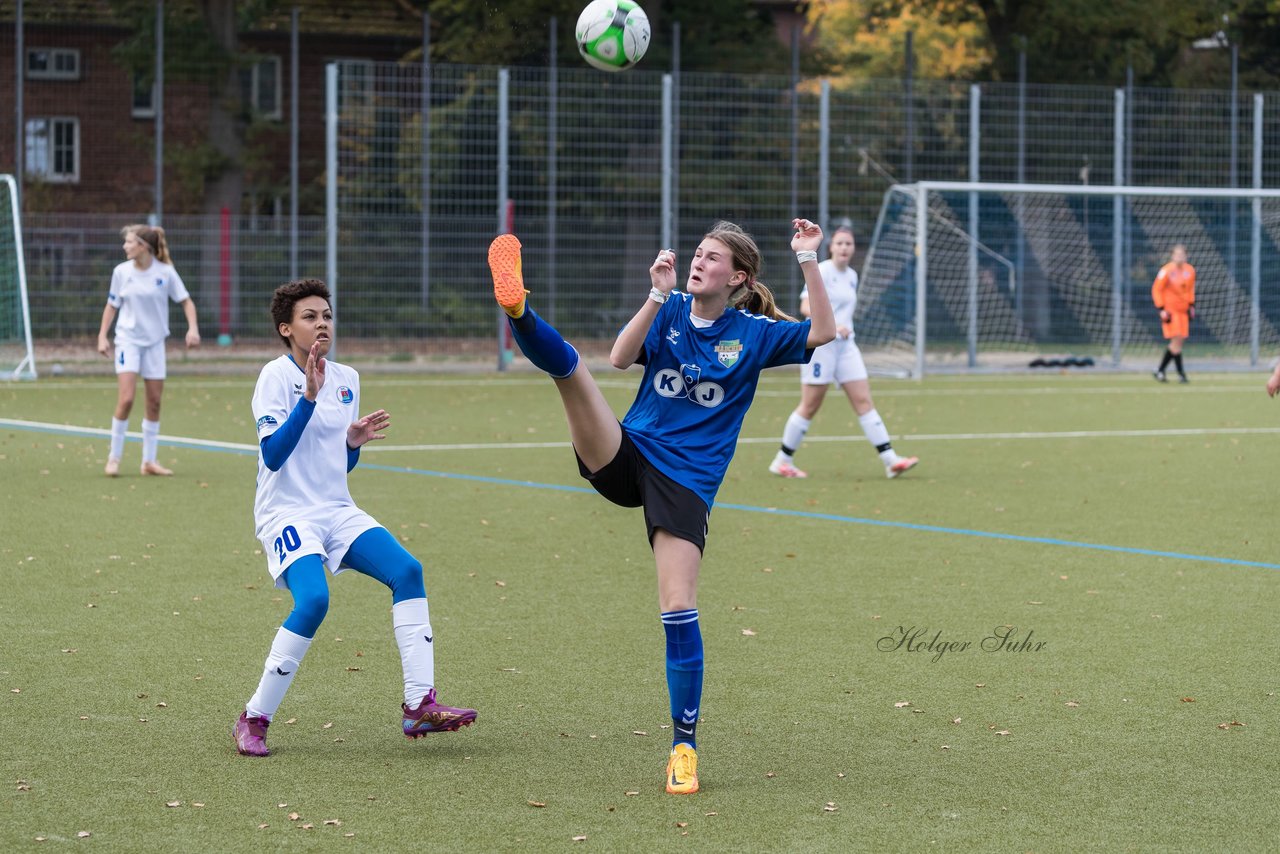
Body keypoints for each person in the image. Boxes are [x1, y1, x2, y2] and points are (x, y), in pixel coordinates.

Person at [487, 218, 835, 794]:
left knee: (678, 609)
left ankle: (683, 747)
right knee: (571, 371)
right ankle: (518, 308)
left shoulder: (753, 333)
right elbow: (621, 358)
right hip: (630, 452)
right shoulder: (670, 309)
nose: (698, 262)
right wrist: (655, 294)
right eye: (697, 253)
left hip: (686, 482)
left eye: (712, 258)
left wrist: (806, 257)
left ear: (738, 277)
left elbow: (823, 332)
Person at [233, 279, 475, 757]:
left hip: (336, 508)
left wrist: (352, 443)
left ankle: (417, 706)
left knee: (408, 571)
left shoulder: (347, 378)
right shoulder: (275, 377)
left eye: (326, 314)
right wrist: (307, 398)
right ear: (287, 329)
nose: (322, 322)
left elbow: (336, 466)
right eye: (309, 316)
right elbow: (275, 456)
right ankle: (254, 718)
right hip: (287, 513)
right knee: (314, 601)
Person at [767, 224, 918, 479]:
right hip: (822, 347)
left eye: (849, 244)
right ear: (831, 247)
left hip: (847, 348)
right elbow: (806, 307)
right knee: (810, 405)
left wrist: (844, 329)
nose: (844, 248)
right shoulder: (822, 270)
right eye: (839, 243)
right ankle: (782, 460)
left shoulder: (852, 275)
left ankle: (890, 460)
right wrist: (834, 327)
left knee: (863, 401)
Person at [96, 224, 201, 476]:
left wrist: (193, 329)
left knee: (154, 402)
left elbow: (186, 301)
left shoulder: (165, 272)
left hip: (155, 344)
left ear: (144, 246)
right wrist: (102, 336)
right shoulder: (121, 272)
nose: (125, 246)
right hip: (127, 341)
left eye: (130, 242)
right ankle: (114, 457)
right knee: (127, 399)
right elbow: (112, 306)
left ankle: (149, 462)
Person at [1151, 243, 1195, 383]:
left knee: (1178, 343)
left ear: (1186, 256)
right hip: (1171, 312)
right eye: (1177, 254)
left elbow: (1189, 291)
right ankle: (1181, 374)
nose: (1179, 257)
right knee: (1176, 341)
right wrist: (1161, 309)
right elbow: (1156, 289)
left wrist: (1191, 305)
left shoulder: (1190, 271)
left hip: (1183, 312)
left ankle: (1160, 371)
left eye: (1182, 254)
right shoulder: (1166, 270)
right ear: (1172, 256)